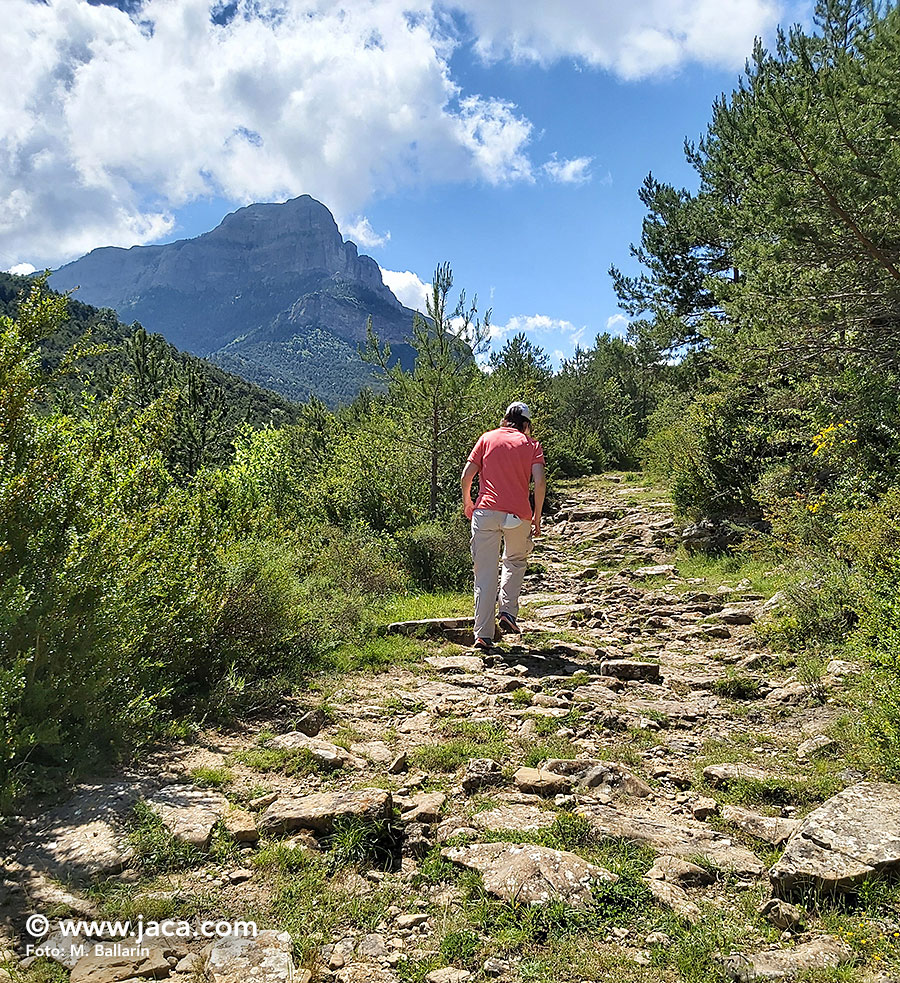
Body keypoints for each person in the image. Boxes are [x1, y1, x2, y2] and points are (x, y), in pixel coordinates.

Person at [460, 401, 547, 651]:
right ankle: (508, 612)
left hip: (485, 511)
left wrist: (468, 502)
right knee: (515, 560)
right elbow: (539, 481)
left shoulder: (486, 439)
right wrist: (537, 517)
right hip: (519, 515)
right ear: (527, 425)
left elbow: (467, 474)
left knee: (485, 574)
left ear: (504, 419)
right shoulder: (532, 446)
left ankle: (483, 635)